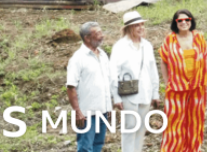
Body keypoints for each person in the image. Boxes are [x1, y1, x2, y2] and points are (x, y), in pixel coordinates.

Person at [159, 9, 207, 152]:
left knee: (195, 121)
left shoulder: (199, 37)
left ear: (191, 21)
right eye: (180, 20)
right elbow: (163, 61)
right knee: (175, 121)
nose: (184, 22)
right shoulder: (169, 39)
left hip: (197, 87)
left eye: (186, 19)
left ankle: (194, 148)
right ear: (175, 23)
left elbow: (206, 57)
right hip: (176, 88)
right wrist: (167, 81)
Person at [110, 11, 161, 152]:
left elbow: (152, 70)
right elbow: (113, 72)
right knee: (129, 127)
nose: (140, 28)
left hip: (145, 91)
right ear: (128, 27)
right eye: (136, 25)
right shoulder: (120, 46)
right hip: (128, 92)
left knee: (141, 128)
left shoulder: (147, 45)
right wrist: (116, 96)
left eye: (142, 24)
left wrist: (155, 93)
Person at [67, 21, 118, 152]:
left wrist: (109, 107)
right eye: (98, 33)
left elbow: (107, 82)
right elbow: (71, 87)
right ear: (87, 38)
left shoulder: (102, 55)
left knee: (98, 145)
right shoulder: (78, 58)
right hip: (87, 114)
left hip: (103, 111)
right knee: (85, 148)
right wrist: (77, 111)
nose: (102, 36)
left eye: (102, 32)